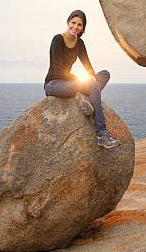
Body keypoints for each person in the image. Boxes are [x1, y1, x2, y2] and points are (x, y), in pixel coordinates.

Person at [43, 9, 120, 149]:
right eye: (73, 22)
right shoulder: (57, 39)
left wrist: (90, 76)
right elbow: (59, 71)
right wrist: (82, 80)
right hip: (54, 84)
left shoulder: (80, 43)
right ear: (68, 22)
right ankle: (102, 133)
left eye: (79, 24)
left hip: (69, 83)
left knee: (105, 74)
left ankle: (85, 93)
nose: (75, 26)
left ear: (83, 28)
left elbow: (88, 66)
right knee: (91, 85)